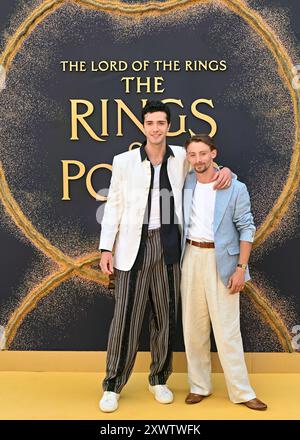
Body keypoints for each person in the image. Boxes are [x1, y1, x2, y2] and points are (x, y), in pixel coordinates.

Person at [98, 101, 232, 412]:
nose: (156, 128)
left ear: (168, 126)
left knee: (165, 316)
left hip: (170, 246)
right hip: (133, 246)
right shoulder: (124, 161)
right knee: (125, 320)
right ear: (143, 126)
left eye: (161, 123)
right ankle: (113, 385)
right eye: (150, 123)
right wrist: (107, 248)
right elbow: (113, 206)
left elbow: (207, 164)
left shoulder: (183, 157)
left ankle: (159, 379)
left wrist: (226, 170)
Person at [180, 134, 267, 411]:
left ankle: (242, 392)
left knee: (228, 331)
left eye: (203, 154)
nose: (198, 160)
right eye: (192, 155)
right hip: (191, 257)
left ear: (214, 154)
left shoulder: (234, 187)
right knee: (194, 328)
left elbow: (247, 227)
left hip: (224, 261)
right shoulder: (185, 182)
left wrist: (241, 268)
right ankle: (199, 386)